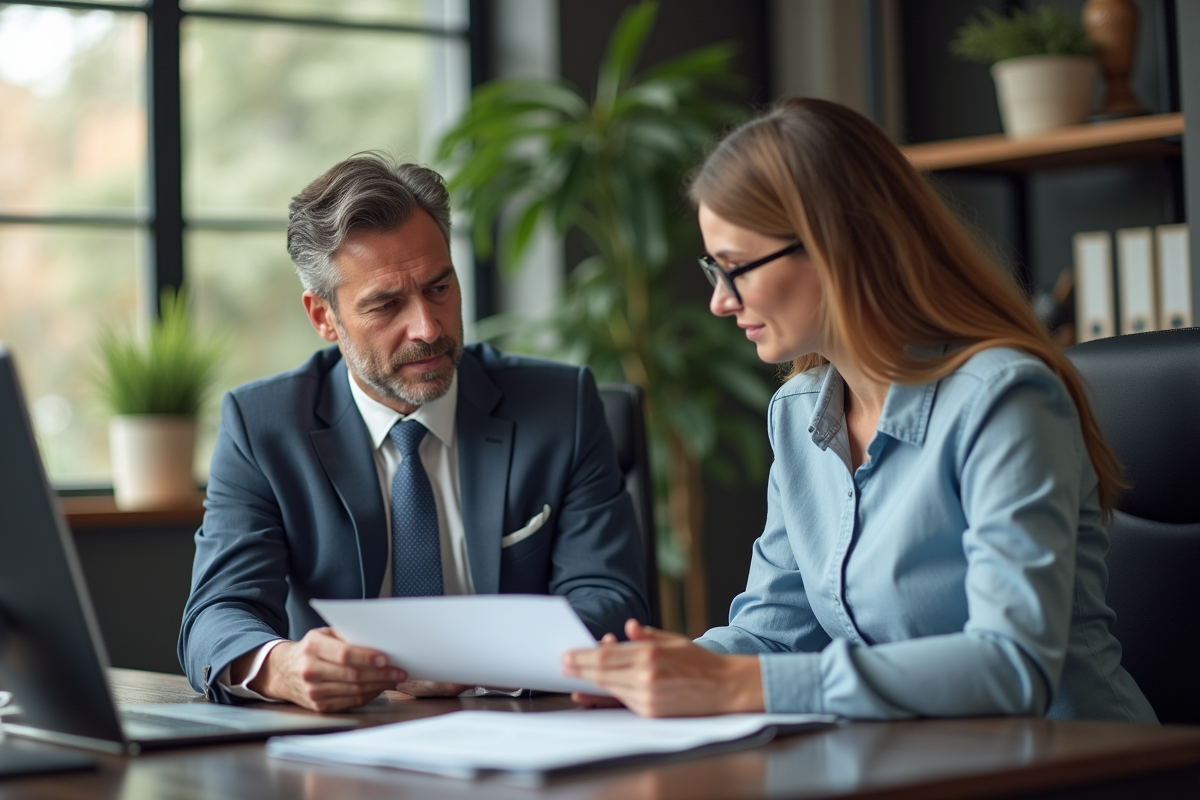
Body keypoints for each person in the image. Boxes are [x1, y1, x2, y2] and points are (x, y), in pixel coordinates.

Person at [562, 98, 1156, 723]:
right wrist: (660, 671)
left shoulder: (1003, 399)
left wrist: (738, 686)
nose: (718, 301)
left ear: (834, 246)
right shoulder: (797, 415)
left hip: (1080, 766)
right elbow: (776, 630)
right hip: (914, 765)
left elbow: (1013, 667)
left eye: (736, 268)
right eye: (715, 268)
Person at [179, 154, 648, 711]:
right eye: (385, 305)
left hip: (524, 732)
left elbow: (610, 600)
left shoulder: (560, 406)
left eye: (439, 288)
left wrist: (469, 658)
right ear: (323, 317)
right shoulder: (263, 427)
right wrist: (281, 667)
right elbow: (215, 616)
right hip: (345, 747)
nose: (428, 328)